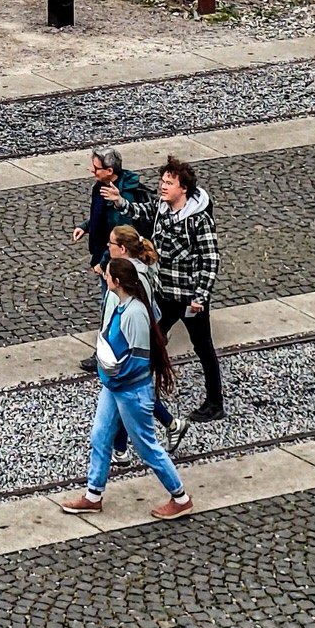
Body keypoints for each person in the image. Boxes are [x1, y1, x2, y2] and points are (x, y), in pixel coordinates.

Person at [58, 237, 190, 521]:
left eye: (107, 275)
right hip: (115, 387)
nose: (104, 277)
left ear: (116, 281)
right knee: (100, 436)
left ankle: (180, 497)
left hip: (131, 391)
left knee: (147, 447)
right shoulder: (124, 306)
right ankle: (93, 495)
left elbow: (139, 360)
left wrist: (112, 375)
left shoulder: (134, 313)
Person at [144, 157, 225, 431]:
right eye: (162, 181)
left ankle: (215, 402)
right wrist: (120, 202)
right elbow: (141, 212)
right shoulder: (162, 209)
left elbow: (210, 259)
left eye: (169, 182)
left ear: (184, 189)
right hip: (165, 293)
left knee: (203, 346)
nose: (163, 186)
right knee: (153, 341)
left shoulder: (199, 220)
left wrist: (201, 295)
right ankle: (146, 392)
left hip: (189, 297)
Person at [82, 148, 155, 281]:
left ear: (109, 171)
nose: (92, 170)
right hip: (105, 252)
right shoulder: (101, 186)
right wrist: (85, 227)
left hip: (115, 260)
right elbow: (101, 216)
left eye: (96, 168)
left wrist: (103, 264)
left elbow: (120, 236)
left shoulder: (124, 196)